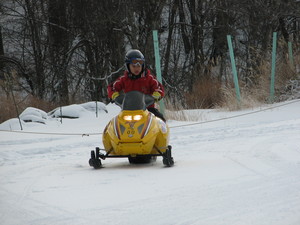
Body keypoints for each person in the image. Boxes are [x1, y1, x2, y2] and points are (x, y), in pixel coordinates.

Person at [108, 49, 166, 122]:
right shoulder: (124, 79)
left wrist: (157, 94)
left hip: (148, 110)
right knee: (115, 124)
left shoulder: (149, 78)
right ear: (128, 66)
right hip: (128, 111)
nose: (137, 68)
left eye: (139, 66)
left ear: (143, 66)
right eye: (134, 66)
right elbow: (111, 87)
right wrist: (114, 95)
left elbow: (159, 88)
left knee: (161, 121)